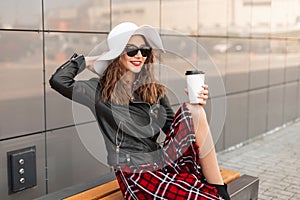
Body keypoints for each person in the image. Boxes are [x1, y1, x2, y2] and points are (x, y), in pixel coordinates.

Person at [49, 22, 230, 200]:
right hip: (135, 172)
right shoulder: (99, 91)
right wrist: (91, 60)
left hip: (160, 163)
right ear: (118, 53)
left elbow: (172, 130)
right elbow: (59, 80)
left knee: (194, 111)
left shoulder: (152, 90)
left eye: (144, 50)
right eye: (131, 50)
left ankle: (220, 188)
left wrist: (195, 105)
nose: (139, 55)